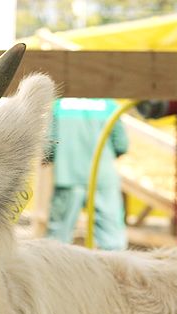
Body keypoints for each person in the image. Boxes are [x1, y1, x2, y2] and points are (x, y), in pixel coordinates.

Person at [44, 97, 129, 250]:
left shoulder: (60, 105)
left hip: (67, 176)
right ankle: (113, 272)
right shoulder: (109, 106)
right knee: (111, 239)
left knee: (57, 240)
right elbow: (121, 144)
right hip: (102, 178)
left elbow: (48, 147)